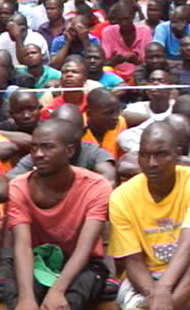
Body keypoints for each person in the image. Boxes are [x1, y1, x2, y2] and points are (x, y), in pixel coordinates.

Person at [3, 118, 113, 310]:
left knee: (66, 301)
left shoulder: (96, 187)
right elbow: (23, 247)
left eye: (47, 147)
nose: (38, 154)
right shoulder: (19, 187)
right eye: (34, 148)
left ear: (69, 151)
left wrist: (58, 290)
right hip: (35, 261)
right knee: (19, 296)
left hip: (81, 264)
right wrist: (26, 298)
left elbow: (84, 249)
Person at [109, 122, 190, 310]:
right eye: (144, 155)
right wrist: (155, 294)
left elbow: (189, 242)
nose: (152, 163)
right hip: (144, 279)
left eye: (161, 154)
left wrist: (163, 289)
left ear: (178, 155)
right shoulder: (121, 196)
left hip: (187, 272)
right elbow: (133, 260)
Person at [7, 103, 117, 185]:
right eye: (57, 129)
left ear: (83, 132)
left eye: (69, 130)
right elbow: (10, 179)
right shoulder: (41, 154)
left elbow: (109, 180)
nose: (62, 134)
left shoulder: (93, 153)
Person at [102, 1, 153, 82]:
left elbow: (149, 62)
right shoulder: (108, 32)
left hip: (139, 74)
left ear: (133, 16)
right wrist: (114, 61)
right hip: (115, 76)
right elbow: (104, 61)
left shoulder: (145, 31)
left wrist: (136, 61)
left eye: (127, 19)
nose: (124, 23)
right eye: (120, 20)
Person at [82, 87, 127, 159]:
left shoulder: (120, 122)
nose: (116, 117)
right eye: (109, 113)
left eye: (118, 111)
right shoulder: (78, 126)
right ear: (89, 114)